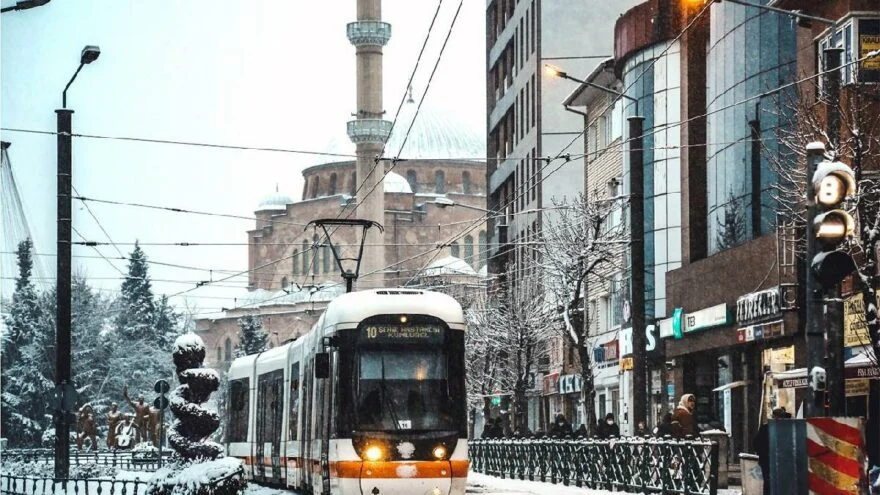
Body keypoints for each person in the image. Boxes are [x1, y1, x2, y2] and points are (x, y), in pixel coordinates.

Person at [754, 407, 790, 495]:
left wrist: (762, 454)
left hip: (767, 460)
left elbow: (756, 443)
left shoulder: (766, 428)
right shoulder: (786, 428)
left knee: (769, 483)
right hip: (775, 460)